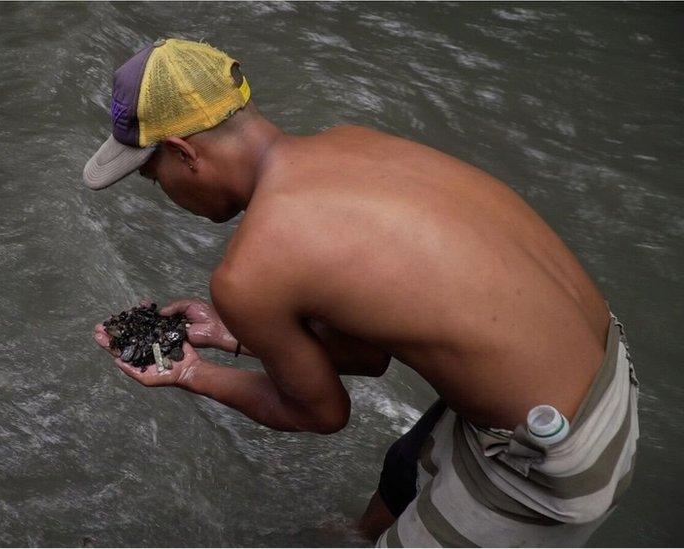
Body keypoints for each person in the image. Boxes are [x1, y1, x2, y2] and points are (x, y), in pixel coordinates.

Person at [84, 38, 639, 547]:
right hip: (603, 374)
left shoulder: (250, 270)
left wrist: (190, 373)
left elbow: (321, 415)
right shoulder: (352, 142)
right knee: (405, 469)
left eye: (154, 179)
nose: (165, 194)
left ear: (185, 153)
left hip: (554, 458)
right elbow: (372, 355)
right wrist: (238, 337)